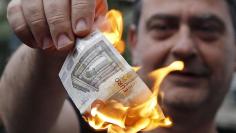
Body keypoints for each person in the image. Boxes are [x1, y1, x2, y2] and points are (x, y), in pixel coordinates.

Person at [0, 0, 236, 133]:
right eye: (163, 27)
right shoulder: (93, 123)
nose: (184, 47)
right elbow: (21, 122)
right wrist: (50, 45)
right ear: (134, 41)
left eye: (207, 29)